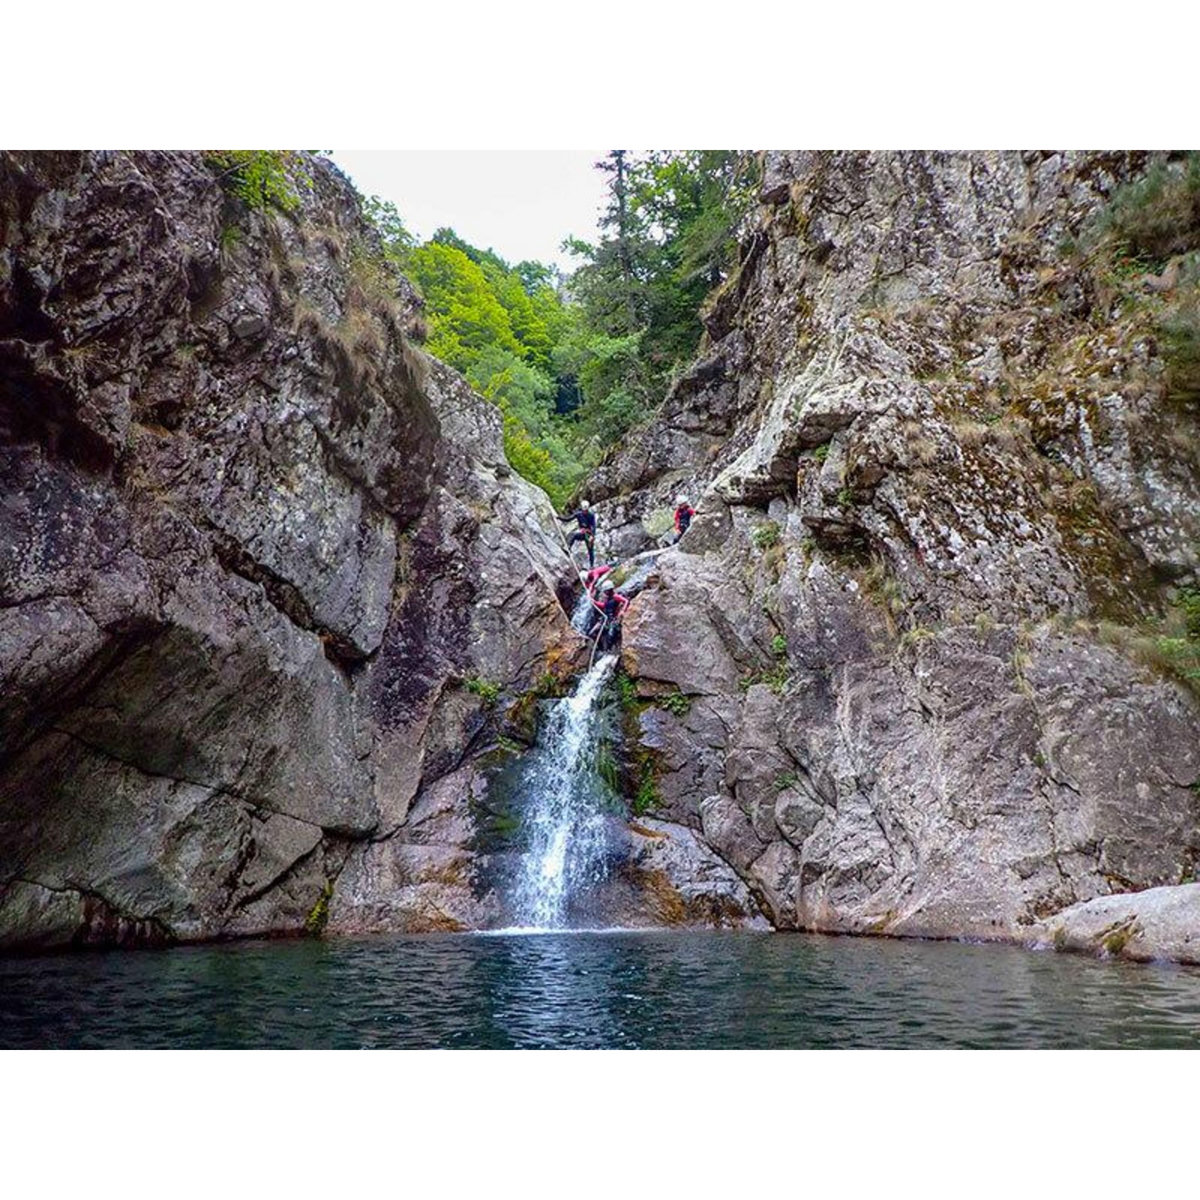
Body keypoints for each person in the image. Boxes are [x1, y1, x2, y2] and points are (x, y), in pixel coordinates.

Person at [593, 579, 629, 652]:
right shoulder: (607, 598)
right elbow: (604, 606)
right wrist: (594, 602)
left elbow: (625, 601)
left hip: (612, 619)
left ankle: (608, 651)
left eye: (606, 591)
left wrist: (622, 611)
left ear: (610, 590)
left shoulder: (615, 597)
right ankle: (600, 649)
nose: (605, 592)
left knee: (610, 635)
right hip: (604, 619)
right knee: (593, 633)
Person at [559, 500, 597, 568]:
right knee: (573, 535)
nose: (585, 512)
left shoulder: (591, 515)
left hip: (588, 535)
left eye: (586, 510)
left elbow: (593, 527)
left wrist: (592, 536)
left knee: (590, 550)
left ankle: (592, 566)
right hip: (583, 534)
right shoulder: (578, 514)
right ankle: (568, 548)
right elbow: (568, 519)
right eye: (584, 510)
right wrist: (559, 517)